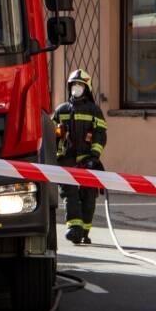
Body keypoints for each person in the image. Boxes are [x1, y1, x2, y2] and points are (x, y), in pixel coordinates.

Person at [53, 69, 106, 245]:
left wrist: (94, 157)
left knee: (88, 196)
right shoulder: (61, 110)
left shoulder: (94, 111)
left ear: (87, 88)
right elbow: (51, 133)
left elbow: (100, 134)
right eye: (73, 85)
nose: (76, 88)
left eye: (80, 85)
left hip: (86, 160)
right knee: (69, 194)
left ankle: (84, 230)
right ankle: (74, 228)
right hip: (66, 158)